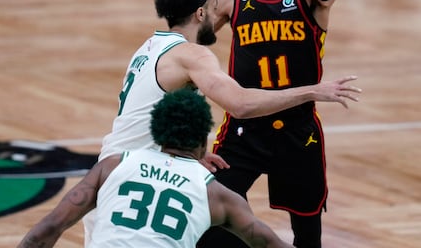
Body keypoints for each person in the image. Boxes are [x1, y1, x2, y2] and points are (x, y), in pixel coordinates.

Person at [84, 0, 362, 244]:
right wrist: (313, 91)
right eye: (214, 8)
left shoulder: (149, 47)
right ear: (201, 14)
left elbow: (146, 118)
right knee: (230, 227)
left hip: (113, 176)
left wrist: (192, 154)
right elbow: (240, 104)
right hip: (138, 183)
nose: (219, 16)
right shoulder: (192, 56)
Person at [197, 0, 343, 248]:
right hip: (245, 131)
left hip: (297, 131)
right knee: (211, 223)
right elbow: (190, 45)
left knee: (307, 235)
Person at [17, 88, 296, 248]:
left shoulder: (113, 165)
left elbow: (48, 228)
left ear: (158, 130)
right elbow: (270, 244)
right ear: (202, 138)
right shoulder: (217, 195)